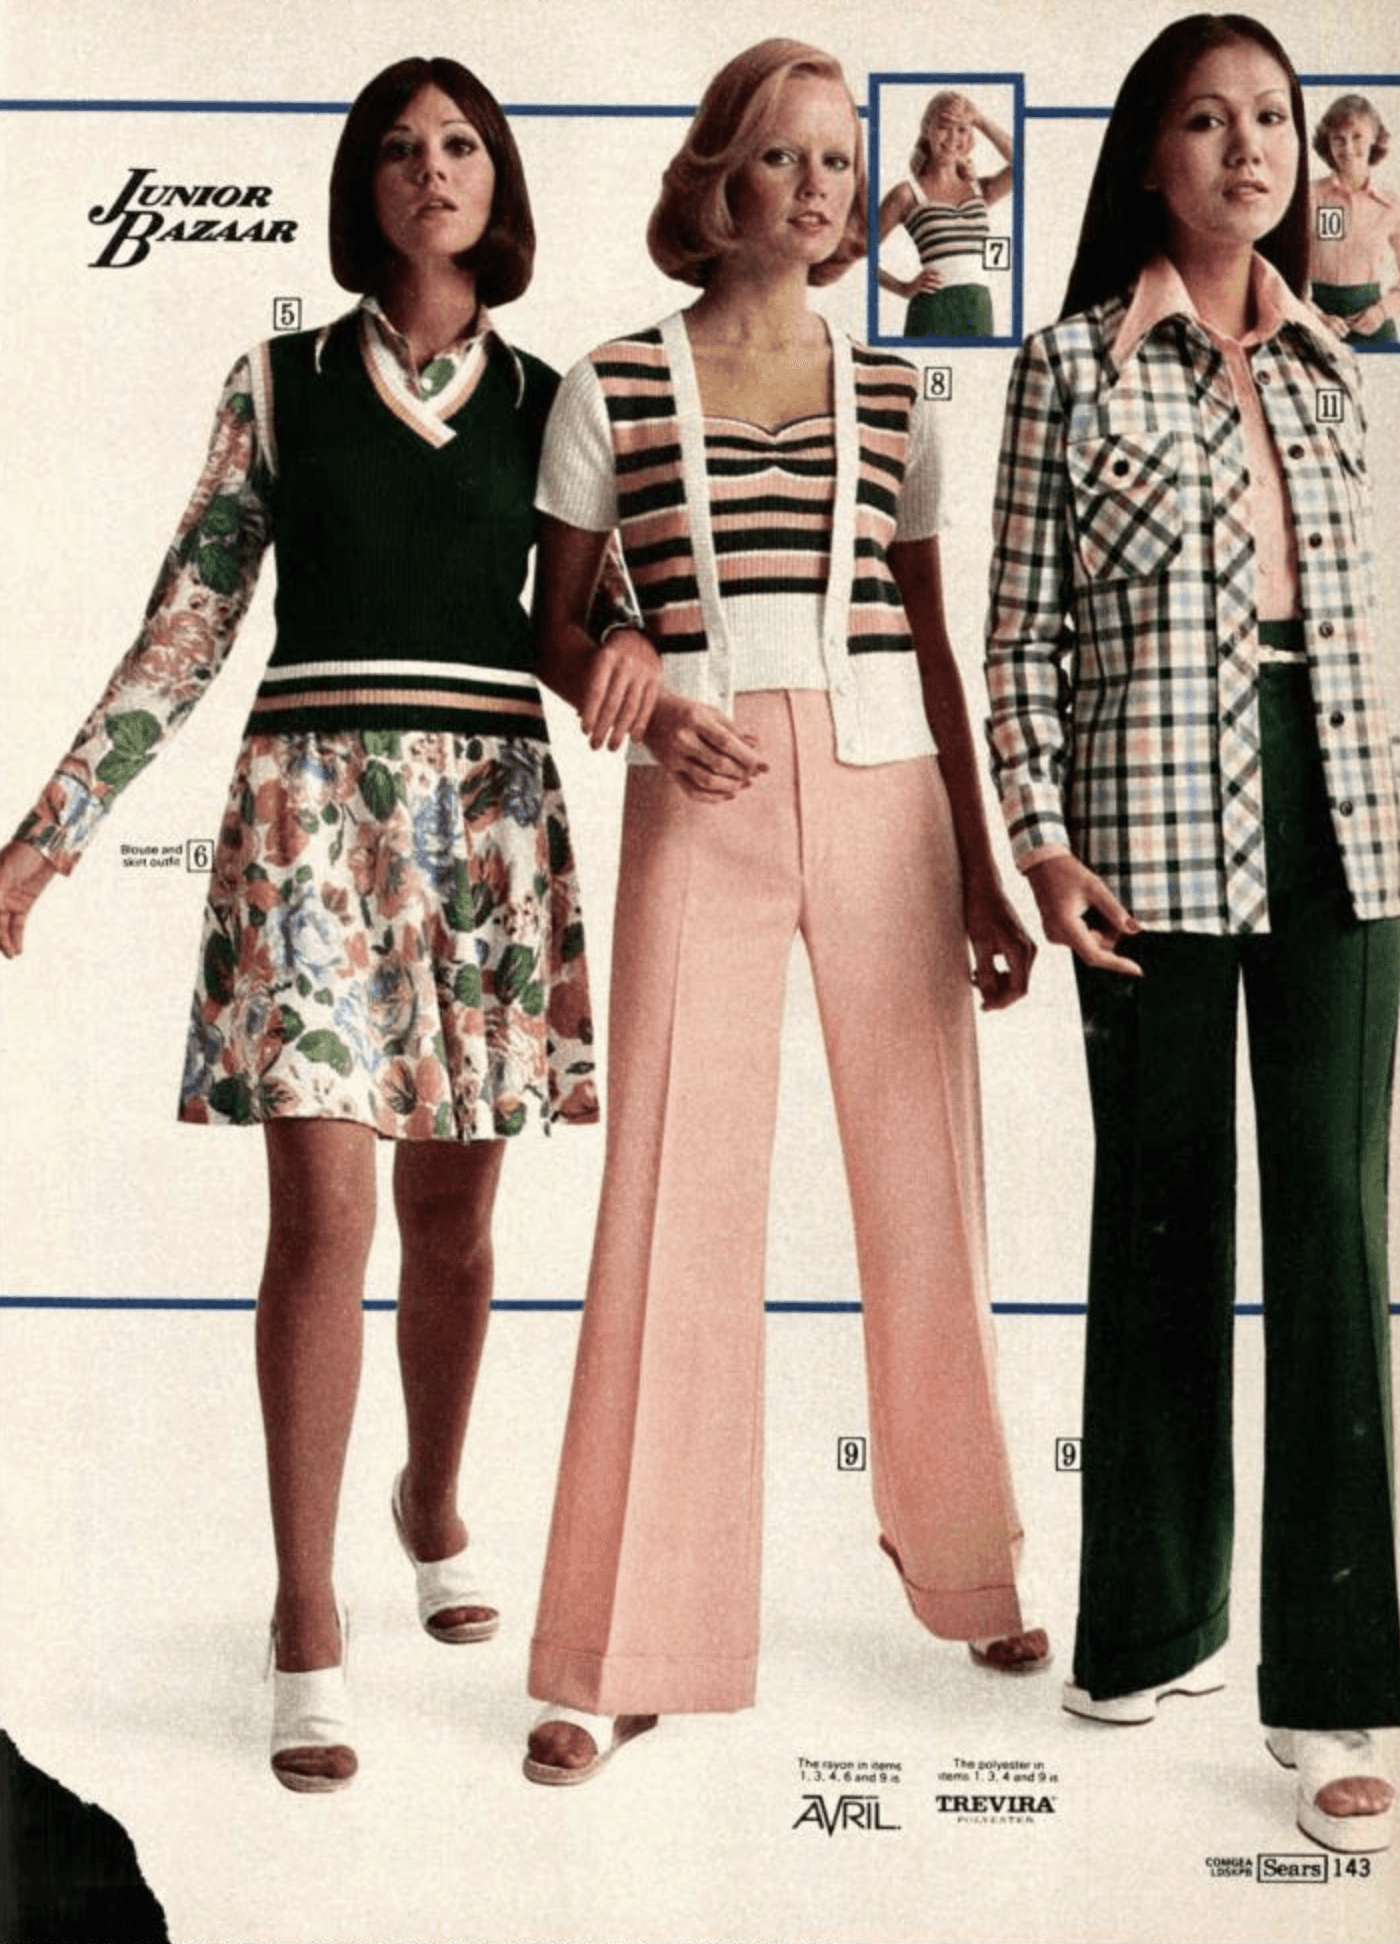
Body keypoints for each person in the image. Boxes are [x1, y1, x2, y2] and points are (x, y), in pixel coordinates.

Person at [0, 56, 603, 1794]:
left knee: (455, 1225)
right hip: (308, 822)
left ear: (500, 183)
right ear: (363, 186)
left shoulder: (557, 399)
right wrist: (49, 834)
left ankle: (432, 1498)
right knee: (324, 1214)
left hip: (485, 830)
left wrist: (648, 658)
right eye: (399, 149)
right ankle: (306, 1610)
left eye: (462, 144)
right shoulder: (275, 383)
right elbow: (188, 625)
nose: (432, 169)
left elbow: (601, 615)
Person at [521, 36, 1047, 1790]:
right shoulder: (609, 381)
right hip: (701, 788)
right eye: (778, 157)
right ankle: (629, 1644)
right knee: (671, 1201)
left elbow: (936, 640)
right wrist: (633, 684)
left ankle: (968, 1564)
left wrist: (982, 863)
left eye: (836, 161)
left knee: (928, 1189)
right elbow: (555, 621)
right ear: (716, 179)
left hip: (892, 789)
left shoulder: (899, 393)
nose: (814, 190)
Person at [985, 13, 1400, 1853]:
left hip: (1348, 818)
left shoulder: (1335, 368)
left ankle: (1340, 1684)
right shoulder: (1067, 369)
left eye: (1275, 120)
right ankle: (1148, 1622)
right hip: (1142, 828)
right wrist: (1040, 842)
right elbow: (1020, 641)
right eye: (1210, 121)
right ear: (1149, 159)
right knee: (1159, 1211)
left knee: (1334, 1224)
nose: (1252, 149)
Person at [877, 90, 1013, 337]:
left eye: (962, 129)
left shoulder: (980, 190)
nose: (952, 138)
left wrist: (979, 119)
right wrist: (902, 288)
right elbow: (858, 255)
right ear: (927, 129)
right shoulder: (906, 194)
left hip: (978, 309)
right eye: (943, 127)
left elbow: (1023, 163)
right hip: (932, 310)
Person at [1308, 92, 1400, 344]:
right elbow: (1282, 271)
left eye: (1357, 136)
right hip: (1318, 328)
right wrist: (1314, 316)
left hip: (1374, 329)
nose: (1348, 148)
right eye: (1338, 139)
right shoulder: (1307, 198)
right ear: (1328, 144)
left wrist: (1382, 312)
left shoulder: (1392, 207)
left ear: (1374, 137)